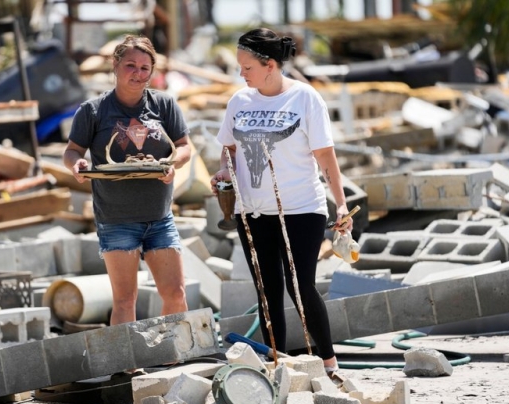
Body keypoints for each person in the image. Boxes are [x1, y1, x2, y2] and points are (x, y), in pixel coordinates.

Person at [210, 28, 352, 376]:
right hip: (252, 210)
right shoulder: (239, 102)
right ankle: (277, 365)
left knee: (300, 285)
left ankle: (329, 363)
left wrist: (342, 205)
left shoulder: (305, 98)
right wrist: (223, 174)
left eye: (247, 67)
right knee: (267, 289)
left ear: (270, 65)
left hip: (302, 208)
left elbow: (325, 157)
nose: (241, 74)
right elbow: (228, 150)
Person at [64, 35, 191, 326]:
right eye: (131, 65)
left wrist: (172, 163)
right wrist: (78, 165)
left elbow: (184, 146)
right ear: (115, 64)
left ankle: (169, 357)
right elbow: (72, 152)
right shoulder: (93, 111)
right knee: (125, 300)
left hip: (159, 218)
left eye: (145, 68)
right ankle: (127, 367)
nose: (138, 73)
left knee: (175, 293)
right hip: (116, 219)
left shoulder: (164, 105)